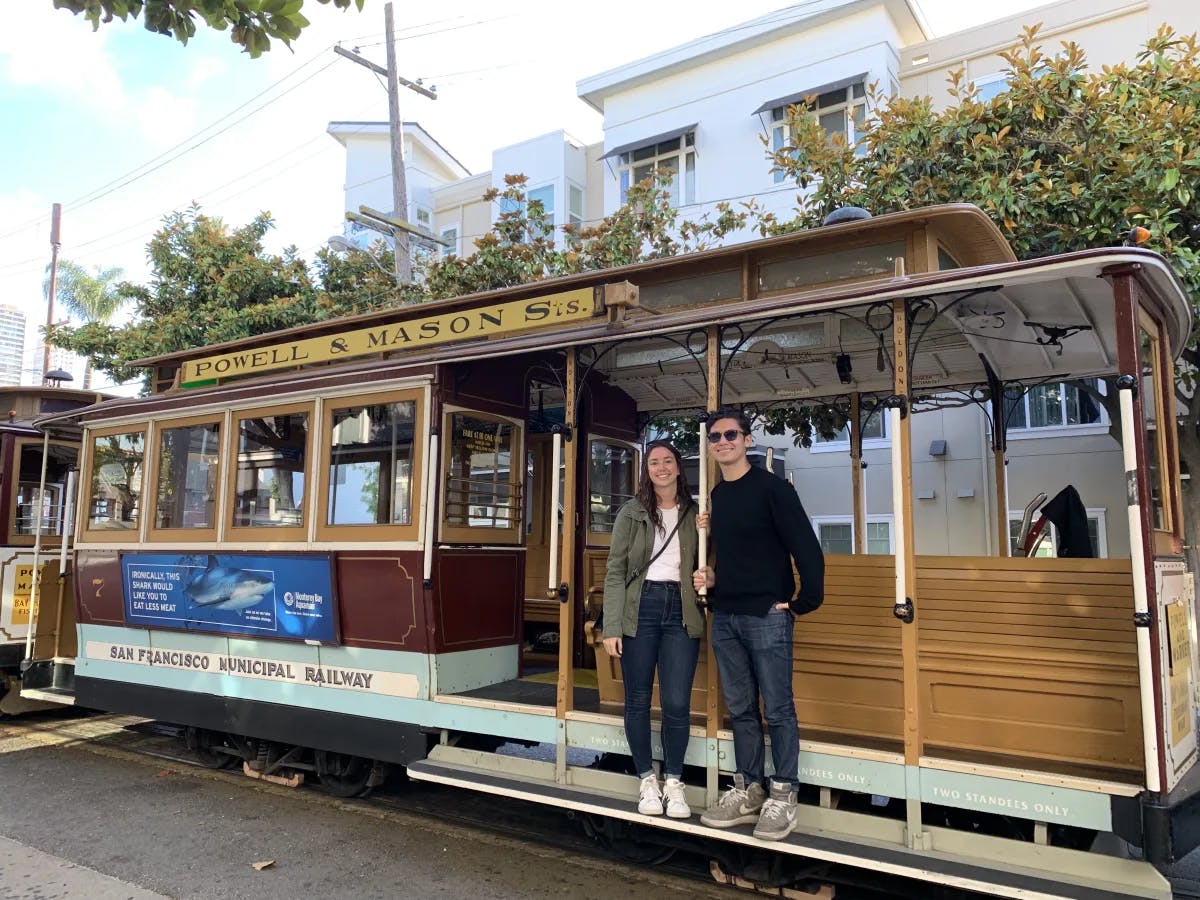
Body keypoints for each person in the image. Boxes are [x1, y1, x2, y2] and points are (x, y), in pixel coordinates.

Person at [692, 409, 824, 841]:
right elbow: (727, 560)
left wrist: (805, 601)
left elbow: (806, 545)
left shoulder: (773, 489)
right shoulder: (718, 497)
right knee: (742, 709)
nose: (722, 441)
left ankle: (783, 795)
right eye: (715, 437)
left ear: (747, 441)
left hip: (768, 615)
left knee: (778, 707)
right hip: (726, 615)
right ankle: (748, 788)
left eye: (731, 434)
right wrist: (710, 579)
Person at [602, 440, 703, 818]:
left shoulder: (695, 513)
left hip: (681, 607)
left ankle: (674, 782)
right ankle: (647, 780)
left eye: (668, 461)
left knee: (677, 703)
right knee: (639, 699)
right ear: (647, 471)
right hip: (639, 607)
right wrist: (612, 625)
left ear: (679, 468)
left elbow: (708, 561)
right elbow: (615, 570)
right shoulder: (632, 512)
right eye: (654, 462)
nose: (661, 468)